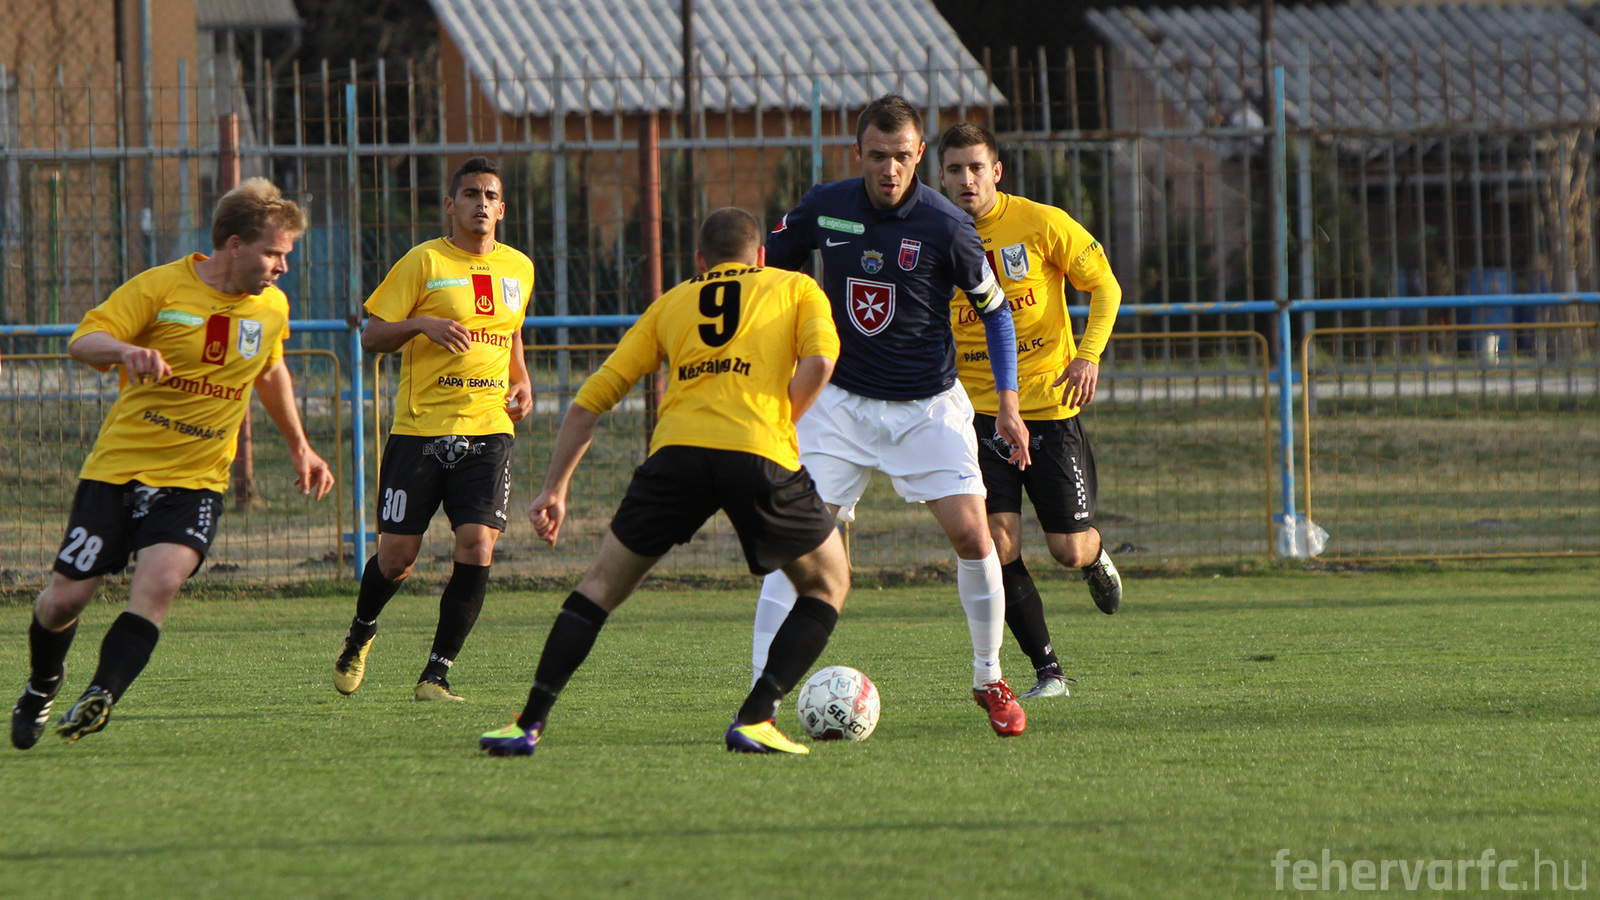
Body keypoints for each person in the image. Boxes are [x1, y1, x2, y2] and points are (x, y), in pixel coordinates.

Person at [478, 207, 847, 757]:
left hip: (676, 456)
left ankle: (527, 724)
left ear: (700, 261)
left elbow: (590, 401)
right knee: (827, 584)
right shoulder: (795, 288)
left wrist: (554, 488)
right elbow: (820, 361)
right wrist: (778, 423)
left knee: (599, 587)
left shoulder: (671, 303)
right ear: (761, 257)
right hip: (758, 452)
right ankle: (756, 717)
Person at [9, 178, 335, 749]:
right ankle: (42, 685)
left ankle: (101, 695)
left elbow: (269, 369)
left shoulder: (271, 307)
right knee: (65, 601)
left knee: (159, 583)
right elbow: (83, 340)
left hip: (196, 481)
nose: (283, 267)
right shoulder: (161, 287)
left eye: (286, 255)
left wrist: (299, 445)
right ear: (234, 245)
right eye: (273, 253)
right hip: (118, 471)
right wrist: (126, 350)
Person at [748, 95, 1034, 737]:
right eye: (877, 156)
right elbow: (765, 277)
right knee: (795, 544)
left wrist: (1008, 404)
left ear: (920, 154)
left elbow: (996, 313)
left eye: (902, 156)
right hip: (838, 407)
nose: (890, 168)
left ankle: (989, 677)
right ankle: (760, 698)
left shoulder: (947, 224)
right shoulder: (825, 207)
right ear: (857, 153)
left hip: (926, 408)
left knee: (975, 536)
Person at [331, 156, 534, 702]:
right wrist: (422, 323)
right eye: (470, 194)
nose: (481, 204)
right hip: (420, 432)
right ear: (450, 205)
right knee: (397, 558)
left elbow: (511, 332)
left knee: (477, 543)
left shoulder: (519, 267)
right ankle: (361, 632)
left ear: (502, 209)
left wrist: (521, 380)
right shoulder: (424, 261)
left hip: (488, 430)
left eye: (490, 196)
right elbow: (372, 335)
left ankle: (436, 674)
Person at [937, 123, 1124, 700]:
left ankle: (1094, 556)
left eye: (976, 167)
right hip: (976, 413)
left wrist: (1087, 355)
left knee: (1068, 548)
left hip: (1048, 404)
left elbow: (1106, 286)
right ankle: (1049, 672)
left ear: (996, 171)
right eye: (954, 169)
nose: (966, 179)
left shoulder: (1041, 223)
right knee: (996, 545)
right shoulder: (931, 234)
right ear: (939, 176)